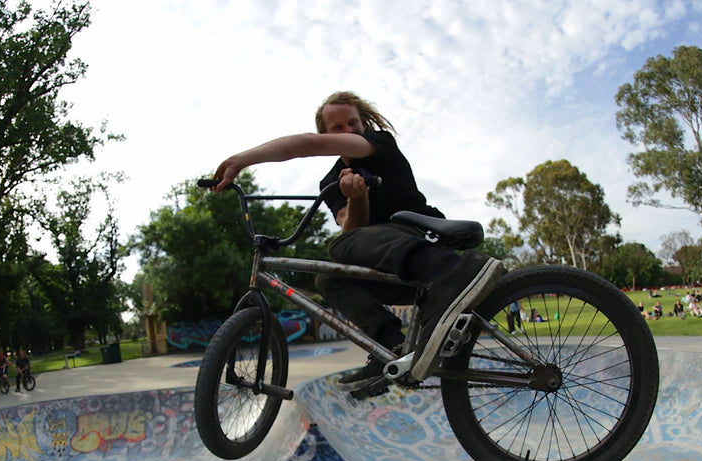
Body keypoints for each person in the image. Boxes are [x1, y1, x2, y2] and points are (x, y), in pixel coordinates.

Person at [211, 91, 504, 390]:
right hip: (394, 268)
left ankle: (453, 273)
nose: (348, 131)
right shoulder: (331, 181)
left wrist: (242, 160)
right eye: (338, 128)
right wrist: (358, 197)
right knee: (330, 277)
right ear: (328, 133)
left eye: (353, 123)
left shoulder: (380, 144)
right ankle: (389, 349)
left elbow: (308, 144)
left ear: (362, 125)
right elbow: (351, 228)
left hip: (425, 242)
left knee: (340, 247)